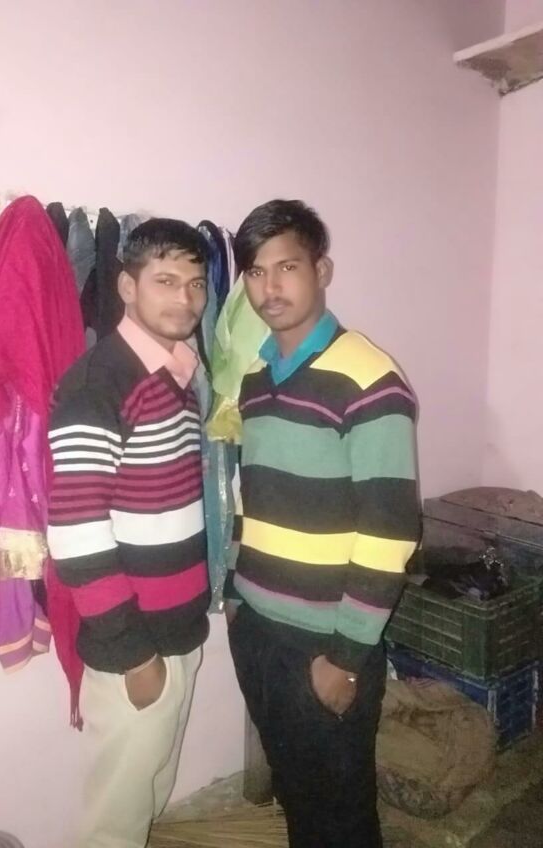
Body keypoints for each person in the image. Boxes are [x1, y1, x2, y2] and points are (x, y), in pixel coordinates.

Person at [224, 199, 421, 848]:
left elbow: (390, 532)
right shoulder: (255, 378)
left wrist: (345, 656)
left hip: (325, 642)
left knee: (340, 815)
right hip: (259, 630)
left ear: (322, 270)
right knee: (298, 794)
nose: (270, 287)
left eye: (287, 267)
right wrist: (235, 594)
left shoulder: (369, 379)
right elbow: (253, 495)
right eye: (256, 272)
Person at [47, 219, 211, 848]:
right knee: (114, 825)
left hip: (178, 631)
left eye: (196, 283)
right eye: (166, 281)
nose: (186, 299)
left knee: (151, 796)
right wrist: (135, 654)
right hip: (136, 648)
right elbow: (77, 535)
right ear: (125, 286)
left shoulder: (176, 372)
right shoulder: (101, 383)